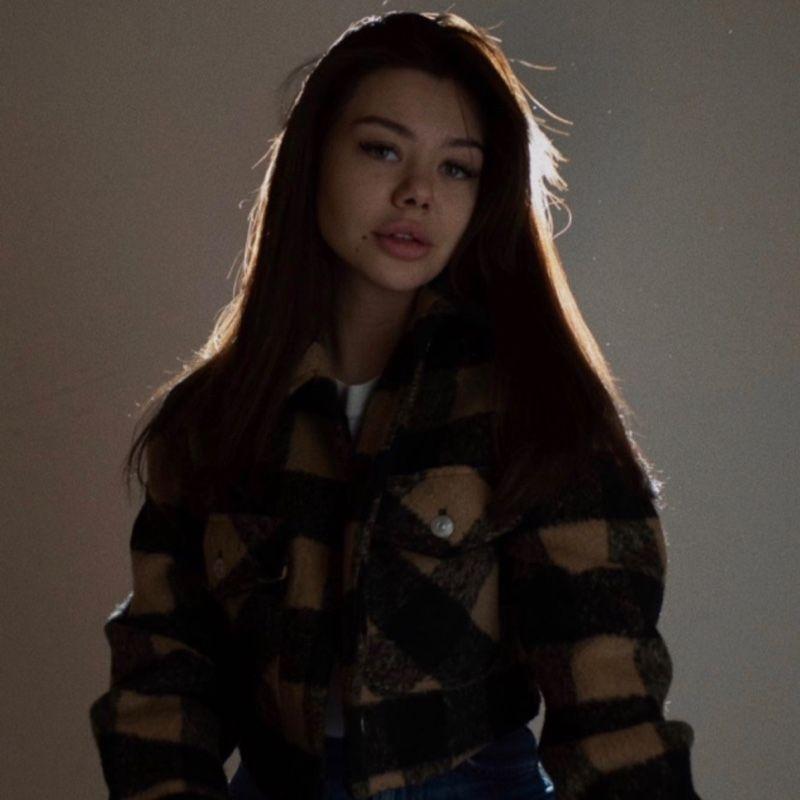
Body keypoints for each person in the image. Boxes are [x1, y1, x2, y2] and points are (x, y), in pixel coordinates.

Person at [88, 10, 702, 800]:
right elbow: (163, 681)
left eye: (457, 168)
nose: (417, 193)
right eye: (382, 150)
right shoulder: (215, 418)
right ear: (314, 159)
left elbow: (612, 701)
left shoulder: (535, 408)